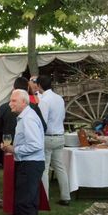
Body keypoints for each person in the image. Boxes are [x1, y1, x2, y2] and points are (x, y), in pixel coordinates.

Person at [1, 90, 46, 215]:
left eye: (14, 101)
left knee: (24, 202)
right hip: (29, 163)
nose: (10, 104)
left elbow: (36, 145)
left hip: (30, 164)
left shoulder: (28, 119)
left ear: (24, 102)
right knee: (30, 201)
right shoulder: (25, 117)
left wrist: (14, 149)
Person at [36, 75, 71, 206]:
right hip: (60, 136)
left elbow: (42, 122)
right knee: (60, 167)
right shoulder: (59, 98)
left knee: (44, 168)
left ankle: (45, 199)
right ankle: (66, 196)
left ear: (39, 85)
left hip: (48, 137)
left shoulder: (45, 101)